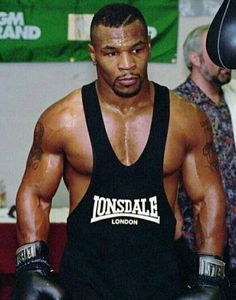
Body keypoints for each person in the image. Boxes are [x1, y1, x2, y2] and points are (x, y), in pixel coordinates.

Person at [12, 4, 227, 300]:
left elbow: (207, 197)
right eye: (112, 53)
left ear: (149, 47)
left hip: (162, 278)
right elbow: (35, 194)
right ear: (93, 54)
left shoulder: (186, 119)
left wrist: (209, 276)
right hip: (86, 281)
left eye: (136, 50)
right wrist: (32, 266)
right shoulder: (63, 121)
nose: (127, 64)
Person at [174, 24, 236, 297]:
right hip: (193, 239)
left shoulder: (232, 101)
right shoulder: (177, 106)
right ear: (195, 59)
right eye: (216, 54)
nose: (226, 61)